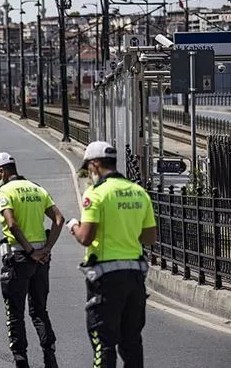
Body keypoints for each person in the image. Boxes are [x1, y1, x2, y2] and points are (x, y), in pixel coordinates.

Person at [66, 141, 158, 368]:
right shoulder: (139, 192)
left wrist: (73, 226)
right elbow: (149, 238)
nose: (88, 174)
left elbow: (86, 238)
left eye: (88, 169)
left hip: (106, 280)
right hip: (135, 277)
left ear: (95, 164)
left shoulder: (96, 194)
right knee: (132, 342)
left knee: (103, 344)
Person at [0, 152, 64, 368]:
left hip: (20, 259)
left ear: (1, 171)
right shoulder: (37, 188)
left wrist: (29, 251)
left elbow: (11, 224)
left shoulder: (5, 192)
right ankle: (50, 357)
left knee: (15, 314)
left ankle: (21, 362)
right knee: (39, 311)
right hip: (41, 261)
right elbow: (59, 219)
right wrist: (46, 249)